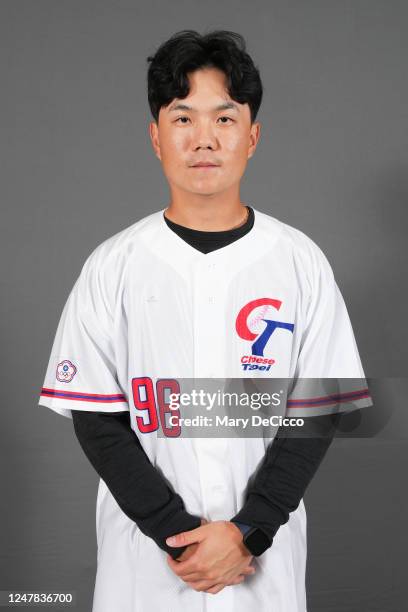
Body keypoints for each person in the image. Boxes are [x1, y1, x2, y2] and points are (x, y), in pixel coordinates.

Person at [38, 30, 372, 612]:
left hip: (263, 559)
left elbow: (315, 415)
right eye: (182, 118)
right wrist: (177, 535)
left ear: (252, 136)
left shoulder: (299, 261)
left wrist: (250, 531)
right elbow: (96, 420)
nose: (203, 140)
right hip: (149, 564)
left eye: (224, 119)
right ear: (155, 137)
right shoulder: (113, 264)